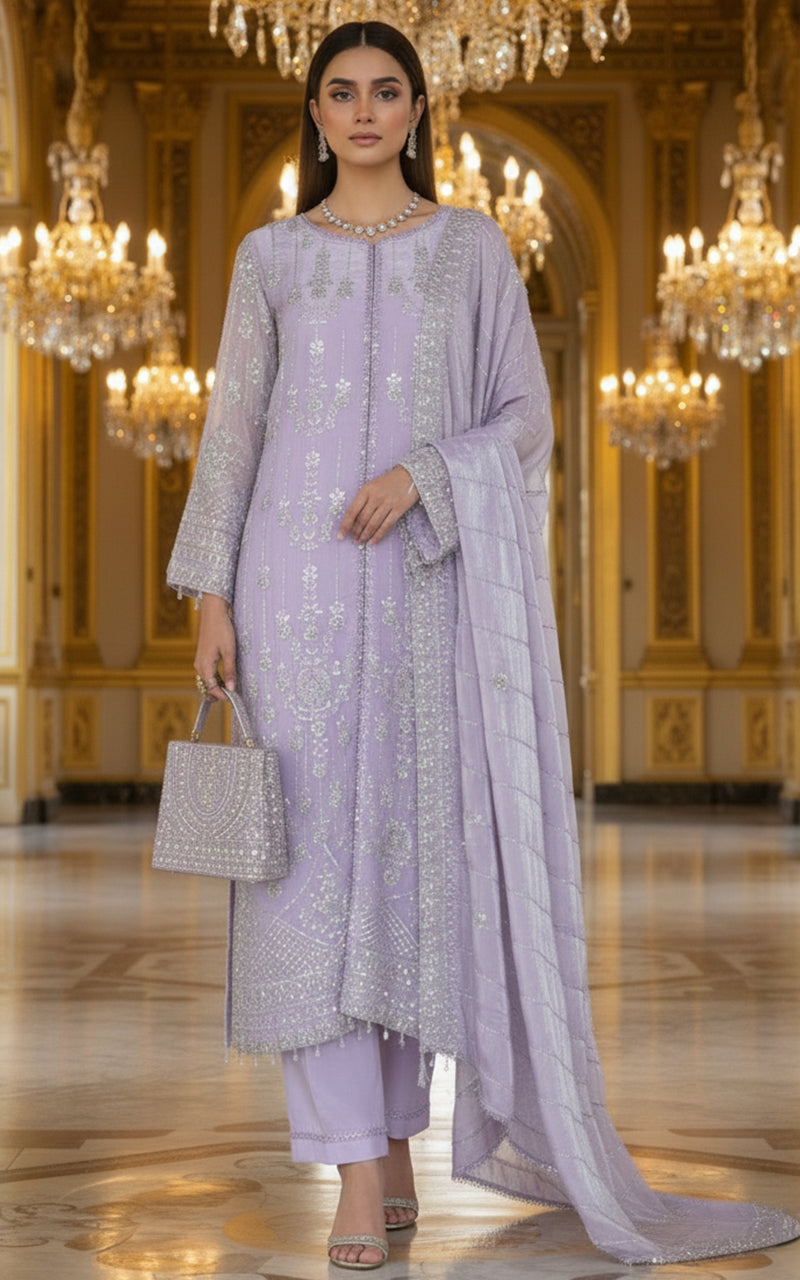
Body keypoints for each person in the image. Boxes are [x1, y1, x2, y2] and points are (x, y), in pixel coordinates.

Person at [167, 20, 799, 1273]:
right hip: (290, 596)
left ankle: (394, 1138)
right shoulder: (269, 257)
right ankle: (354, 1165)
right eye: (339, 92)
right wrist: (209, 594)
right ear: (313, 112)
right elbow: (231, 429)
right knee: (306, 876)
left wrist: (423, 472)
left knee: (406, 877)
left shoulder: (468, 251)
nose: (362, 111)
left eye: (384, 91)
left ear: (416, 109)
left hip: (422, 592)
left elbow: (522, 418)